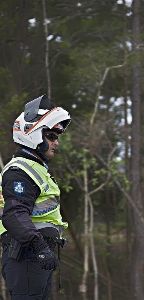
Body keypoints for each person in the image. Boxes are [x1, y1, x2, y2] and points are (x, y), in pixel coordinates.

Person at [0, 95, 71, 299]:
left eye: (57, 137)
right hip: (27, 255)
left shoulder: (35, 169)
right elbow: (14, 215)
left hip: (35, 255)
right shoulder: (19, 171)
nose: (56, 143)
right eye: (51, 136)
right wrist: (39, 247)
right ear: (33, 135)